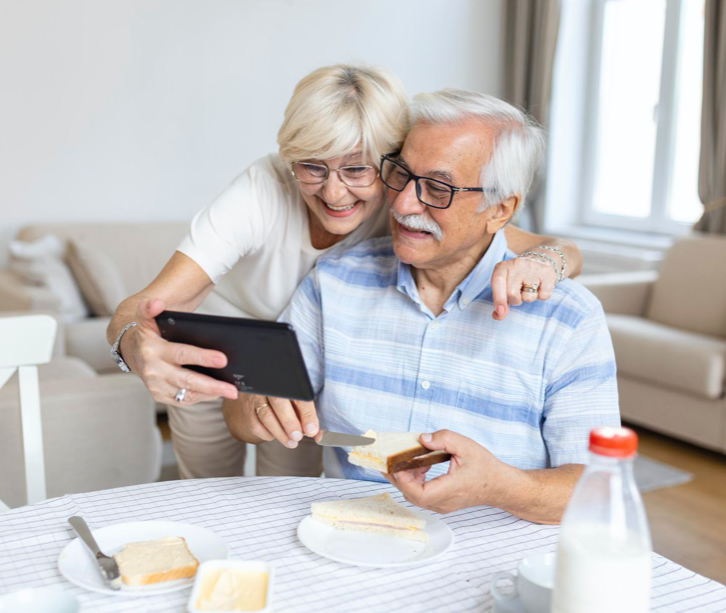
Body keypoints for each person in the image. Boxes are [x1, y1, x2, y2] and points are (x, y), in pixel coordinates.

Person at [107, 66, 585, 480]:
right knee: (207, 489)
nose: (334, 193)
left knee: (288, 487)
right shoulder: (261, 191)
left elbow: (545, 245)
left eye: (357, 170)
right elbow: (145, 306)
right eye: (312, 167)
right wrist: (134, 345)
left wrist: (547, 263)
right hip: (217, 356)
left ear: (388, 157)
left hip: (299, 362)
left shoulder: (403, 200)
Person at [224, 88, 619, 523]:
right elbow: (243, 414)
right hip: (350, 540)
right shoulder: (333, 281)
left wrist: (500, 486)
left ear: (499, 209)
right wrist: (254, 403)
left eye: (437, 188)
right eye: (400, 174)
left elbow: (598, 492)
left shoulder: (569, 319)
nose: (403, 204)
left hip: (497, 555)